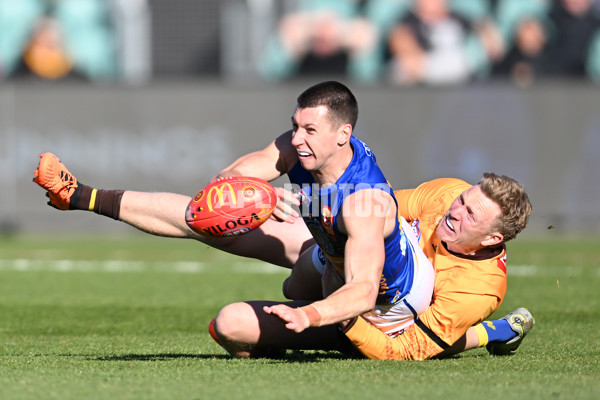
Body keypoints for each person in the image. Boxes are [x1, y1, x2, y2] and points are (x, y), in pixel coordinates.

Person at [33, 81, 435, 357]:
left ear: (343, 134)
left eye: (310, 130)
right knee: (211, 218)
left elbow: (363, 291)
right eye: (296, 126)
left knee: (231, 324)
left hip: (379, 311)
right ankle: (80, 196)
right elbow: (220, 184)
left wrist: (306, 315)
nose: (297, 138)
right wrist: (252, 193)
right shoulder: (300, 148)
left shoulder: (366, 204)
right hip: (331, 251)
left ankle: (307, 330)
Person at [211, 173, 534, 359]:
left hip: (377, 320)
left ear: (492, 239)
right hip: (349, 269)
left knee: (229, 325)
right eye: (462, 200)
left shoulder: (478, 289)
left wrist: (344, 314)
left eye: (471, 214)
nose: (455, 210)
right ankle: (185, 219)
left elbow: (409, 348)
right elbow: (375, 208)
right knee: (225, 230)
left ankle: (494, 330)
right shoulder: (446, 192)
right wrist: (294, 201)